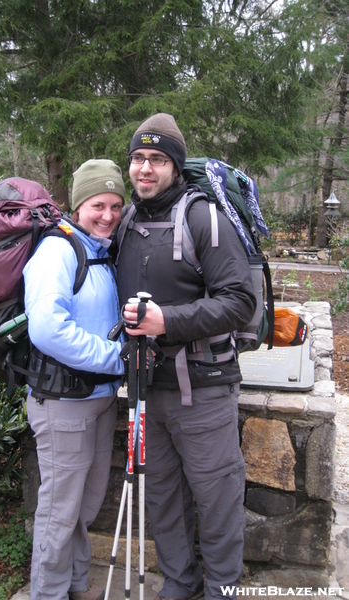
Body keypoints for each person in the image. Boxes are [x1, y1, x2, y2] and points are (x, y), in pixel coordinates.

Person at [116, 114, 257, 600]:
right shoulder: (130, 220)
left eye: (157, 159)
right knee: (162, 495)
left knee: (217, 496)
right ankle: (179, 583)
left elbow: (241, 301)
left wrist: (166, 322)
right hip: (146, 387)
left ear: (175, 166)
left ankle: (223, 589)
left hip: (204, 387)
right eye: (138, 158)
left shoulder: (203, 218)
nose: (146, 169)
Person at [23, 159, 126, 600]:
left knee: (85, 505)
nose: (107, 215)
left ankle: (77, 584)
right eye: (98, 205)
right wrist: (115, 359)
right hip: (63, 402)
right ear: (78, 204)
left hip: (99, 398)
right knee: (60, 512)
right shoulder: (59, 251)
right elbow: (47, 328)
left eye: (116, 206)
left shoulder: (100, 251)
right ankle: (48, 592)